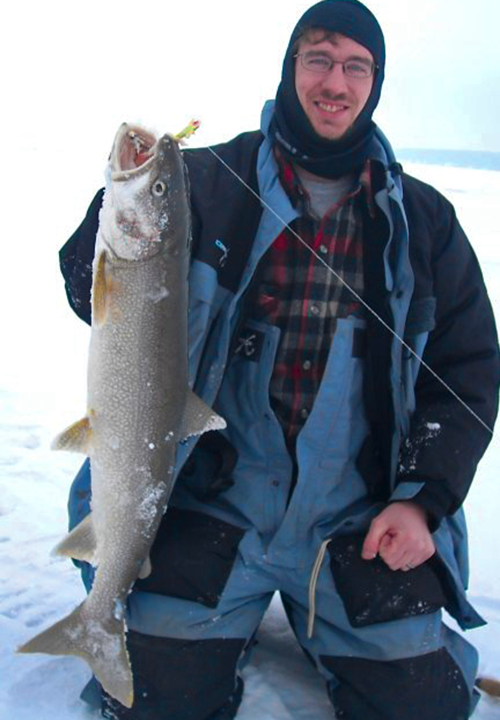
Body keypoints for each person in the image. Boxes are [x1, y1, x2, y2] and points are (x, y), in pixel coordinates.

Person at [59, 1, 500, 718]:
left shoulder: (425, 223)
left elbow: (470, 375)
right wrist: (112, 217)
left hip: (356, 519)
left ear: (376, 84)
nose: (336, 80)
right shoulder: (204, 183)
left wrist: (424, 499)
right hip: (212, 499)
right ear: (290, 66)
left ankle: (322, 612)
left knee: (421, 706)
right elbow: (92, 294)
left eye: (357, 66)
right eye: (319, 57)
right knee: (159, 702)